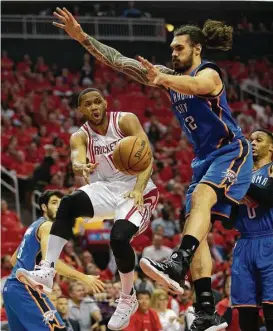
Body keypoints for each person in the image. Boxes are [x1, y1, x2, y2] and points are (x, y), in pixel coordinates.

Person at [50, 8, 252, 330]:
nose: (172, 52)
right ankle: (205, 309)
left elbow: (197, 85)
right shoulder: (167, 78)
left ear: (196, 49)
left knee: (200, 201)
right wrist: (83, 38)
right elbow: (118, 60)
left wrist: (162, 78)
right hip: (202, 159)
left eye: (179, 48)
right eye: (171, 48)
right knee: (195, 230)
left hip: (229, 151)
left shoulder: (209, 73)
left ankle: (178, 260)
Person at [17, 87, 159, 331]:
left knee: (119, 237)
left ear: (105, 103)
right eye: (88, 104)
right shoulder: (80, 136)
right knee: (68, 203)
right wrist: (80, 165)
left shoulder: (125, 120)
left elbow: (148, 158)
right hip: (105, 188)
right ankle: (47, 270)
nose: (94, 107)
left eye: (97, 102)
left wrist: (137, 188)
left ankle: (127, 297)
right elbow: (76, 158)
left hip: (137, 189)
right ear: (80, 110)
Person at [3, 190, 104, 331]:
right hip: (25, 289)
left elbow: (14, 260)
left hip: (10, 289)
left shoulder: (33, 227)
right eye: (54, 203)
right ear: (44, 207)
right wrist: (83, 277)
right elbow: (50, 262)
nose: (59, 207)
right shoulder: (48, 226)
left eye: (61, 204)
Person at [231, 129, 273, 331]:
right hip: (244, 243)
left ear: (271, 147)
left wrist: (241, 181)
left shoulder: (270, 169)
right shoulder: (241, 173)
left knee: (270, 307)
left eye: (259, 139)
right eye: (251, 140)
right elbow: (229, 221)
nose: (253, 143)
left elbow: (268, 198)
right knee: (246, 311)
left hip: (270, 240)